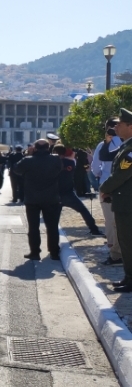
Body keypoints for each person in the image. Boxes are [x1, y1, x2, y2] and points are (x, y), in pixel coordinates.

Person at [13, 139, 63, 261]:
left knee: (33, 227)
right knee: (52, 226)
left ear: (34, 148)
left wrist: (29, 155)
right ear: (48, 148)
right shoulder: (55, 159)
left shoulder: (28, 160)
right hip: (51, 198)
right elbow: (60, 171)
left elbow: (16, 169)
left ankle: (35, 252)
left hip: (32, 199)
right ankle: (54, 252)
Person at [100, 109, 132, 291]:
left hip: (128, 204)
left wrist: (104, 189)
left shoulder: (130, 149)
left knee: (128, 241)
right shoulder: (126, 146)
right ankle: (129, 277)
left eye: (120, 124)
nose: (116, 127)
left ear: (131, 126)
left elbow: (121, 175)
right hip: (124, 202)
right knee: (126, 241)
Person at [53, 145, 103, 235]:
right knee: (83, 211)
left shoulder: (50, 164)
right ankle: (94, 229)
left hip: (55, 194)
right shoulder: (70, 163)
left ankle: (53, 234)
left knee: (54, 218)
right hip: (68, 193)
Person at [94, 119, 123, 266]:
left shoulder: (126, 146)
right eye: (114, 127)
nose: (115, 130)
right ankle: (115, 253)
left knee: (113, 221)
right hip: (112, 188)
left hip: (114, 188)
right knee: (115, 222)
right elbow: (105, 157)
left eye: (119, 126)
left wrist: (104, 186)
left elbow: (119, 174)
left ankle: (116, 252)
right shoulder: (122, 146)